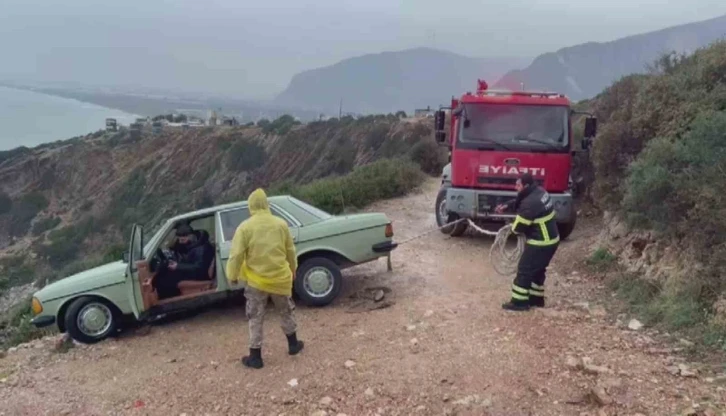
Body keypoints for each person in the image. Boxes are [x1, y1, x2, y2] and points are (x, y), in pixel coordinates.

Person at [226, 188, 303, 369]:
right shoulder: (280, 224)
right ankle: (293, 345)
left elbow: (236, 255)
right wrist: (294, 268)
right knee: (286, 311)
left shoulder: (245, 228)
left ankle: (256, 357)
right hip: (280, 279)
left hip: (256, 281)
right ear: (266, 204)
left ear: (251, 206)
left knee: (255, 317)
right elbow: (290, 250)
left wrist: (232, 276)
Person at [495, 173, 560, 311]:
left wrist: (510, 227)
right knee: (537, 270)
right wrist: (507, 206)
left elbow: (518, 227)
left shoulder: (530, 203)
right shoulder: (539, 192)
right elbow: (522, 202)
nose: (515, 188)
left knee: (524, 269)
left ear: (526, 186)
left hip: (541, 242)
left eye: (518, 185)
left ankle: (519, 302)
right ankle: (536, 299)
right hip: (551, 240)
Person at [154, 224, 215, 299]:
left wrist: (178, 266)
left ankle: (168, 301)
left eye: (182, 240)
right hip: (193, 270)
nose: (180, 242)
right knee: (166, 274)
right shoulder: (196, 243)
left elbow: (200, 268)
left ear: (191, 236)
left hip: (201, 274)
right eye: (179, 240)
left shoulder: (202, 249)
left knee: (165, 281)